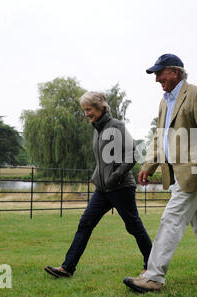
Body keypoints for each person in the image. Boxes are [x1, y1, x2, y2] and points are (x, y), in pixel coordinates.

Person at [123, 54, 197, 293]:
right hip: (175, 172)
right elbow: (159, 136)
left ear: (174, 72)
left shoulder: (196, 94)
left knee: (170, 220)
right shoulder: (165, 101)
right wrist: (148, 165)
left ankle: (153, 277)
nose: (157, 79)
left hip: (194, 171)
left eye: (160, 73)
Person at [45, 91, 152, 278]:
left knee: (133, 226)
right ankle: (67, 268)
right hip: (102, 190)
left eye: (89, 109)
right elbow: (103, 160)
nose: (86, 113)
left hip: (121, 188)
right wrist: (98, 176)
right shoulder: (98, 129)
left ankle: (152, 266)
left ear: (100, 107)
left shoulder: (116, 126)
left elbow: (133, 155)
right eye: (84, 110)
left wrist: (114, 177)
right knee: (85, 224)